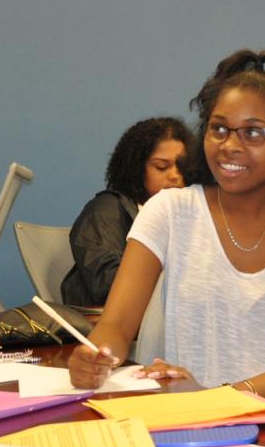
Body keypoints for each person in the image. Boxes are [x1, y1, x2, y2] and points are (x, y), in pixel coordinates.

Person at [67, 50, 265, 429]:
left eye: (253, 132)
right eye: (219, 128)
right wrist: (96, 356)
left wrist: (216, 399)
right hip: (186, 410)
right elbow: (115, 327)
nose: (230, 145)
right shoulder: (168, 211)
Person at [60, 116, 189, 308]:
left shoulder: (192, 215)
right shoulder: (107, 209)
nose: (175, 176)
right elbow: (107, 284)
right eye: (162, 167)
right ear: (136, 169)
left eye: (182, 166)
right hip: (110, 327)